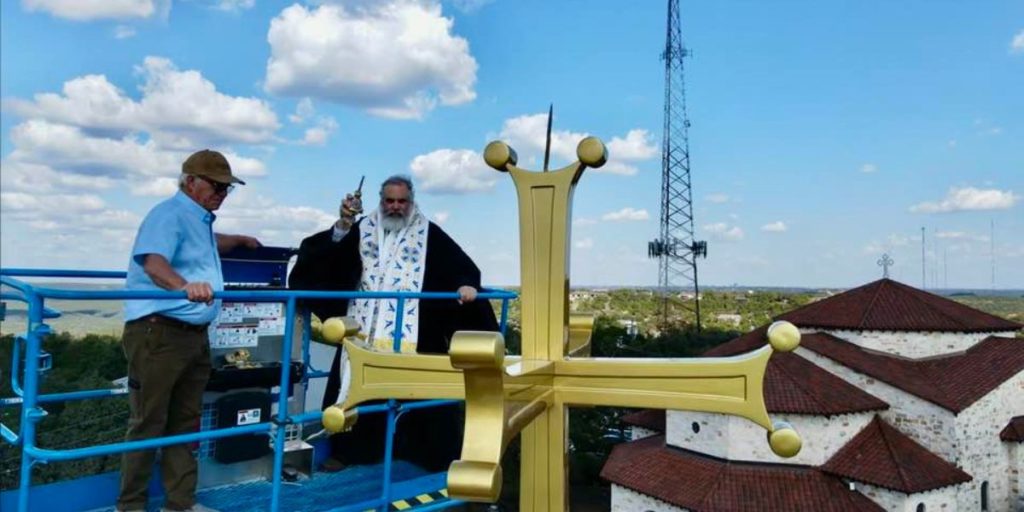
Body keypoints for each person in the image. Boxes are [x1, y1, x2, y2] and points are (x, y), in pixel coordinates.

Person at [289, 175, 498, 472]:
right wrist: (343, 226)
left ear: (411, 202)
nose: (396, 207)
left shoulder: (428, 232)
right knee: (355, 391)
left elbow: (459, 266)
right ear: (381, 201)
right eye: (390, 201)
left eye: (402, 201)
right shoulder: (362, 229)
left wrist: (466, 285)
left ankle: (429, 458)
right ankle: (349, 452)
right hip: (362, 331)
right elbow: (329, 261)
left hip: (415, 332)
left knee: (423, 400)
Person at [117, 150, 261, 512]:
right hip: (159, 334)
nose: (221, 194)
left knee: (185, 424)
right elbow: (153, 262)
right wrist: (185, 287)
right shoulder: (167, 214)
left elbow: (207, 246)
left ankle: (180, 504)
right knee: (148, 424)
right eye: (216, 186)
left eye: (227, 189)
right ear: (190, 181)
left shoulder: (198, 220)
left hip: (191, 336)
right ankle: (130, 506)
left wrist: (239, 240)